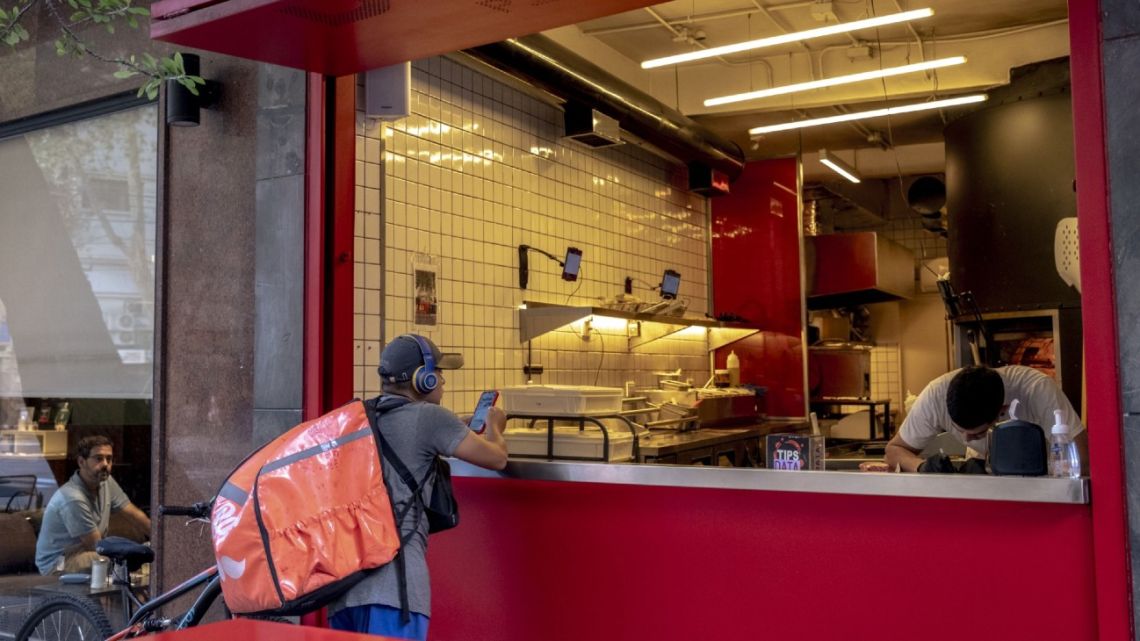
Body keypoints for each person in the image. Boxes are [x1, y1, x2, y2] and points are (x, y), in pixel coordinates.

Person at [329, 334, 508, 641]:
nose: (442, 381)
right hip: (395, 592)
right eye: (438, 373)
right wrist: (495, 428)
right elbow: (497, 458)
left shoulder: (359, 415)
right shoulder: (430, 417)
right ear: (421, 379)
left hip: (344, 588)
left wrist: (453, 429)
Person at [885, 364, 1084, 474]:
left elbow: (1083, 457)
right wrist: (921, 467)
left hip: (1042, 486)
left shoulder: (1037, 390)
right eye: (958, 429)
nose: (966, 439)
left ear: (1002, 411)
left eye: (977, 434)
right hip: (984, 482)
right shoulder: (935, 396)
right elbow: (894, 450)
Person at [35, 435, 151, 574]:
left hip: (85, 553)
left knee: (129, 560)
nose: (105, 464)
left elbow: (134, 514)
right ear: (81, 462)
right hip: (58, 562)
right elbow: (96, 545)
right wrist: (137, 552)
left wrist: (159, 539)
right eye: (98, 458)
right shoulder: (72, 498)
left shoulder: (106, 482)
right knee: (115, 561)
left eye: (109, 459)